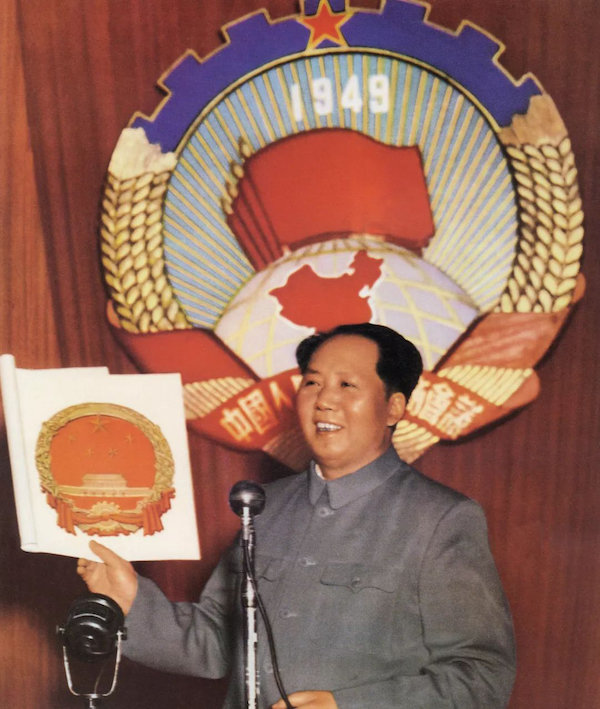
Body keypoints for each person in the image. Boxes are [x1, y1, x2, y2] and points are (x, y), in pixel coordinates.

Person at [77, 323, 516, 708]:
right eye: (312, 383)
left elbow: (482, 677)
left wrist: (349, 706)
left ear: (394, 408)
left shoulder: (441, 519)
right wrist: (131, 601)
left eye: (347, 385)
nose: (324, 401)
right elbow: (215, 642)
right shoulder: (260, 507)